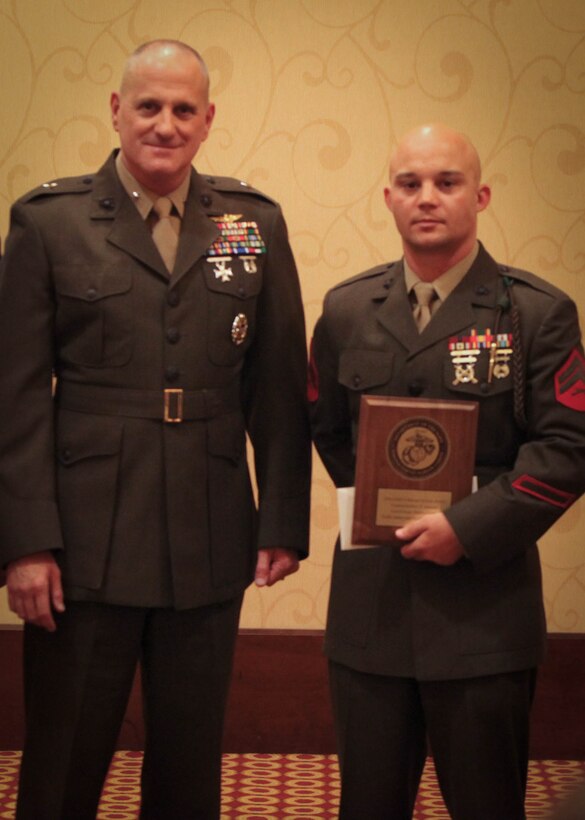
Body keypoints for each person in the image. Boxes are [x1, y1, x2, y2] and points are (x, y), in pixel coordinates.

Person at [0, 40, 311, 819]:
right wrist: (25, 542)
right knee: (62, 762)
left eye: (182, 109)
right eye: (148, 106)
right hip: (82, 541)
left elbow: (275, 389)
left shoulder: (251, 223)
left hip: (207, 534)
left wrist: (280, 521)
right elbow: (16, 397)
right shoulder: (51, 222)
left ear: (207, 121)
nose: (164, 124)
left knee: (188, 769)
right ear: (116, 110)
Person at [309, 123, 585, 819]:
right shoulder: (346, 310)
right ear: (387, 197)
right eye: (409, 184)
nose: (425, 198)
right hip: (371, 606)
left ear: (480, 195)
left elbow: (567, 446)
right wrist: (384, 504)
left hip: (483, 613)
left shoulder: (535, 312)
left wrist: (465, 525)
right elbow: (327, 429)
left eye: (445, 182)